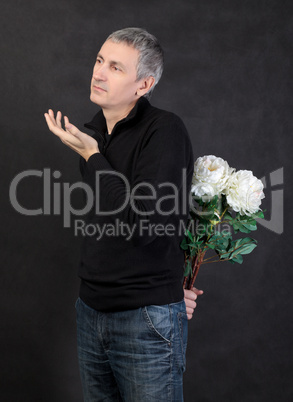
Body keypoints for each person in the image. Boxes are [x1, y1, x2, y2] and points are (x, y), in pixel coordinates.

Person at [44, 27, 203, 402]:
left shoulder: (164, 130)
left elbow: (146, 225)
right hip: (91, 312)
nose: (98, 72)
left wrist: (92, 158)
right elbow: (111, 225)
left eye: (115, 67)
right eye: (100, 61)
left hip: (144, 320)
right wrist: (93, 152)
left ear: (143, 84)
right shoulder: (93, 132)